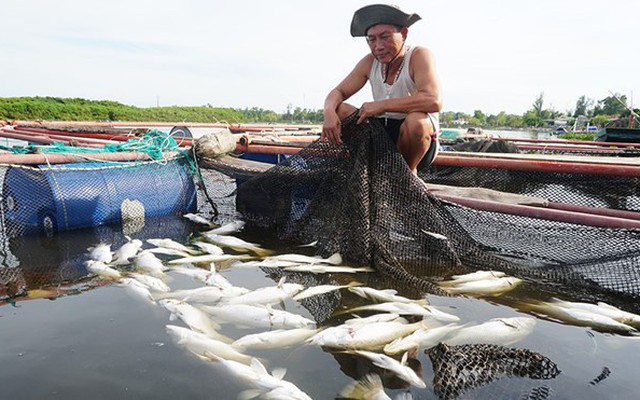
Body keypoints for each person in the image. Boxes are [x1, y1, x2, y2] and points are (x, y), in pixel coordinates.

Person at [321, 4, 442, 173]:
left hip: (415, 143)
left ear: (404, 34)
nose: (378, 46)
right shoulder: (370, 62)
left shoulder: (419, 56)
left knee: (417, 121)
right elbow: (338, 92)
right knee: (339, 110)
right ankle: (367, 170)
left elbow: (433, 100)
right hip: (381, 137)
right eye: (372, 39)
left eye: (385, 37)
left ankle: (407, 174)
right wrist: (328, 113)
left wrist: (382, 105)